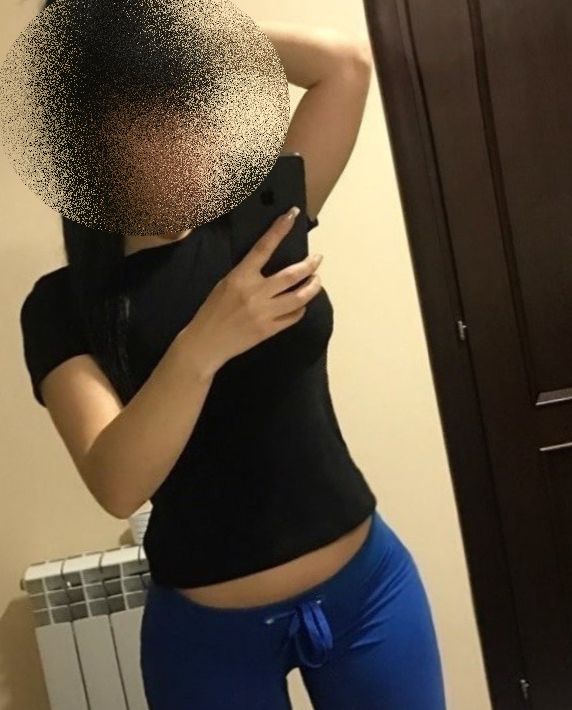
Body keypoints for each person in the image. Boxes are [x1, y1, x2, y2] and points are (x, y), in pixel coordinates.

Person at [19, 16, 446, 710]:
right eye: (154, 123)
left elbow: (345, 66)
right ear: (92, 151)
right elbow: (117, 481)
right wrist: (205, 342)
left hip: (368, 593)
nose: (190, 138)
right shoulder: (64, 305)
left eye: (194, 107)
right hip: (207, 638)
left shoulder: (256, 228)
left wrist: (172, 20)